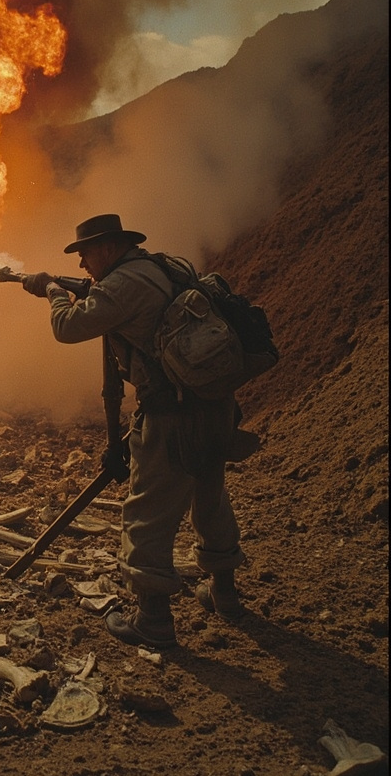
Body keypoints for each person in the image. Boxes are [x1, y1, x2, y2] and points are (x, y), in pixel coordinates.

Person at [22, 214, 245, 649]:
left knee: (146, 513)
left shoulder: (122, 284)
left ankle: (153, 621)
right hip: (213, 404)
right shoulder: (164, 266)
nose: (83, 264)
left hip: (172, 415)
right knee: (210, 498)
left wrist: (51, 290)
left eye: (85, 254)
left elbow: (67, 328)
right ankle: (226, 595)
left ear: (106, 248)